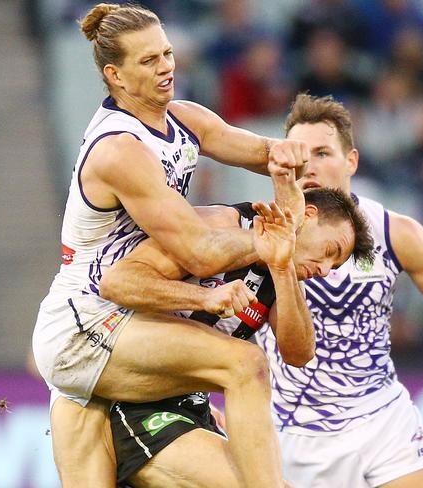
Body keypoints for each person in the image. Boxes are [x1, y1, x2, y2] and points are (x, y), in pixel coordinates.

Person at [31, 3, 310, 487]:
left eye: (167, 53)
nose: (166, 68)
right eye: (148, 61)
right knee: (244, 364)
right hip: (86, 322)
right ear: (114, 76)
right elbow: (198, 252)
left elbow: (264, 153)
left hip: (130, 311)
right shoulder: (119, 150)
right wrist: (265, 244)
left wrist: (290, 156)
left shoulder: (183, 119)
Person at [255, 94, 423, 487]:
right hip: (296, 428)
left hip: (382, 418)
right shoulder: (263, 234)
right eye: (300, 156)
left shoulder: (393, 232)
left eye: (323, 153)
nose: (309, 167)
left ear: (351, 161)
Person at [98, 183, 374, 487]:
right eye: (329, 251)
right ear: (307, 215)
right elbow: (117, 282)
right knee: (250, 365)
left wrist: (281, 269)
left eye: (333, 266)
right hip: (134, 401)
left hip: (192, 406)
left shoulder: (282, 275)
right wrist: (201, 297)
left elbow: (299, 353)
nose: (324, 269)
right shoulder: (219, 224)